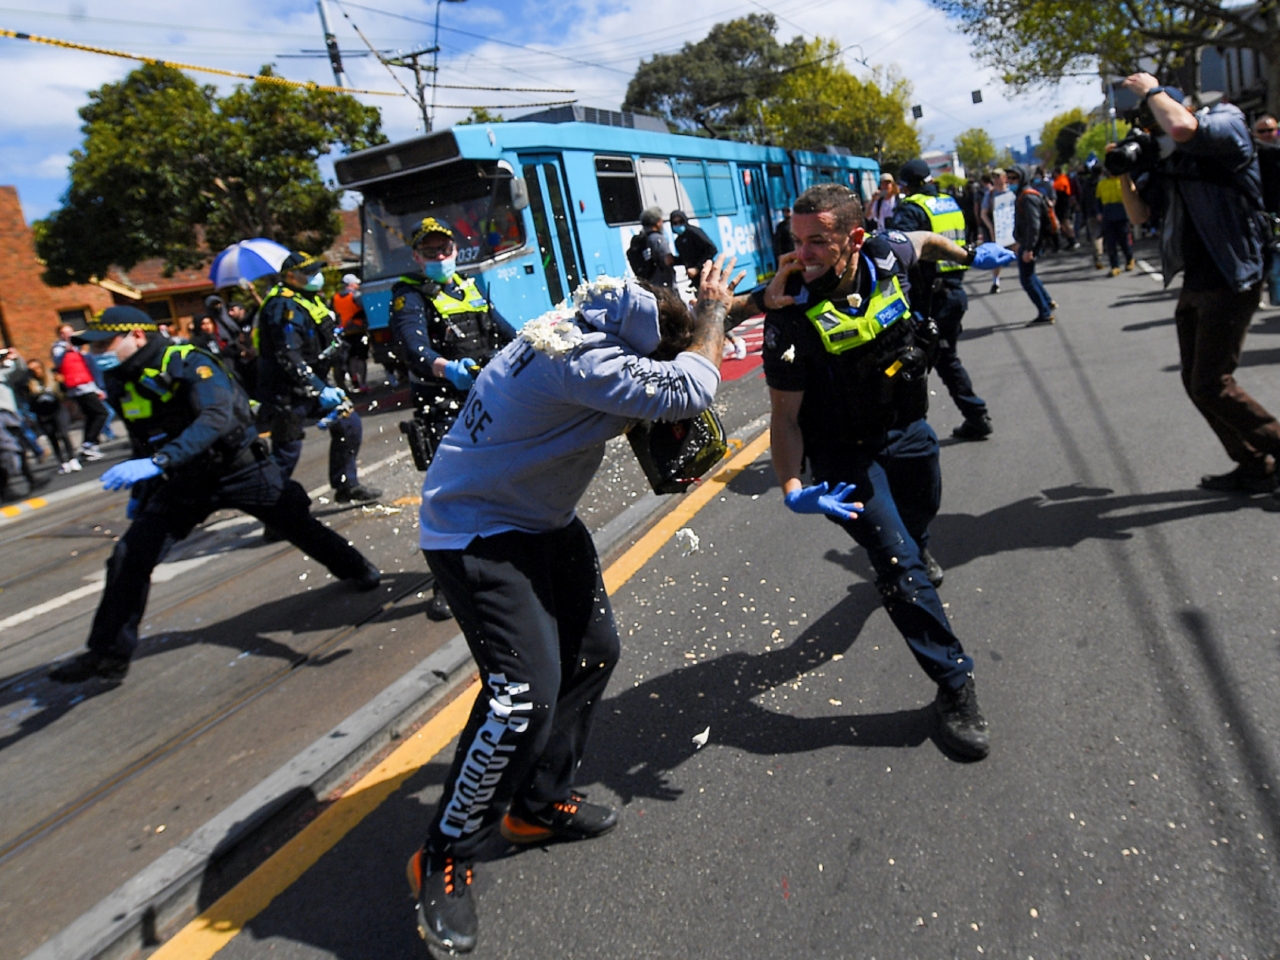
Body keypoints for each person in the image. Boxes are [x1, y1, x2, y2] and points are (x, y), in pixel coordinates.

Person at [403, 259, 740, 954]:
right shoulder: (585, 364)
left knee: (594, 653)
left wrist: (729, 304)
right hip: (477, 533)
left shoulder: (583, 320)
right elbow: (695, 383)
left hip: (538, 518)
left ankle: (535, 804)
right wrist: (711, 315)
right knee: (520, 696)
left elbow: (674, 360)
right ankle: (444, 855)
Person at [758, 182, 990, 768]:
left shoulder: (887, 253)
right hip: (843, 456)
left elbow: (929, 240)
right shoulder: (789, 315)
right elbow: (784, 418)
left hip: (909, 431)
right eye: (796, 241)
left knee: (921, 517)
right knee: (898, 563)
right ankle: (955, 686)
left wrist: (970, 255)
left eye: (818, 242)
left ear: (854, 239)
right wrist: (791, 488)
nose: (802, 254)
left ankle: (920, 548)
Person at [46, 306, 380, 684]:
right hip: (180, 481)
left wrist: (158, 461)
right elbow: (142, 436)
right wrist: (142, 489)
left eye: (105, 343)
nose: (96, 353)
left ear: (136, 336)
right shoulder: (122, 377)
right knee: (129, 556)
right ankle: (108, 655)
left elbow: (216, 417)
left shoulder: (187, 361)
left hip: (238, 469)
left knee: (297, 525)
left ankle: (356, 568)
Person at [1117, 75, 1280, 495]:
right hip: (1198, 280)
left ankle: (1271, 450)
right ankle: (1253, 464)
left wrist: (1151, 89)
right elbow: (1138, 216)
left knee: (1212, 383)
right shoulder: (1167, 159)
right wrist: (1122, 171)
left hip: (1234, 272)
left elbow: (1183, 129)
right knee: (1197, 384)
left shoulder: (1229, 122)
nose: (1156, 133)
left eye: (1155, 119)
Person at [388, 217, 518, 621]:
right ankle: (448, 584)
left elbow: (504, 333)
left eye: (445, 249)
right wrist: (447, 369)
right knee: (453, 498)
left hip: (487, 399)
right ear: (417, 255)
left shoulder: (469, 286)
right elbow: (414, 349)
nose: (440, 256)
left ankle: (502, 564)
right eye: (430, 251)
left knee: (502, 485)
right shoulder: (408, 296)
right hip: (444, 406)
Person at [256, 252, 381, 504]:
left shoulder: (309, 299)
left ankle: (346, 484)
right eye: (309, 272)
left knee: (349, 424)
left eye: (316, 271)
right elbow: (288, 355)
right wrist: (318, 388)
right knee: (286, 452)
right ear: (291, 276)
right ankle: (273, 511)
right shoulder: (282, 306)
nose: (317, 277)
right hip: (288, 391)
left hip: (316, 384)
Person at [889, 158, 993, 440]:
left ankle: (905, 429)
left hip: (929, 298)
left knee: (909, 362)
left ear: (906, 185)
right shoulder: (949, 203)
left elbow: (898, 248)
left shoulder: (912, 208)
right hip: (954, 291)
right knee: (944, 358)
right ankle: (975, 416)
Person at [51, 323, 109, 461]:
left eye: (70, 331)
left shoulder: (79, 347)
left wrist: (97, 387)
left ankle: (89, 445)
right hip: (78, 387)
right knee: (101, 413)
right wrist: (67, 349)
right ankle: (88, 443)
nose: (68, 335)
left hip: (88, 384)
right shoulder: (59, 349)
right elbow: (58, 361)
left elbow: (89, 366)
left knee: (91, 415)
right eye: (64, 333)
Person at [1008, 164, 1057, 325]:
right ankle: (1047, 302)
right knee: (1031, 275)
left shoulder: (1027, 197)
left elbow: (1033, 225)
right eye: (1009, 178)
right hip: (1028, 242)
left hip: (1032, 244)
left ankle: (1044, 312)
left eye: (1014, 178)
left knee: (1026, 279)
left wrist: (1028, 249)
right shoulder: (1023, 195)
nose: (1010, 181)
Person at [24, 358, 78, 473]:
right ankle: (62, 462)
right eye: (32, 370)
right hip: (43, 414)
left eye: (38, 368)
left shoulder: (52, 377)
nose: (36, 371)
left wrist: (62, 382)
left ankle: (72, 458)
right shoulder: (29, 384)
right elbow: (27, 400)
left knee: (64, 434)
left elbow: (64, 391)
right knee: (52, 437)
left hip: (58, 410)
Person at [332, 274, 370, 393]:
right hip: (358, 330)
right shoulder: (356, 295)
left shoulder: (335, 297)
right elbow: (365, 309)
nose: (358, 285)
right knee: (361, 358)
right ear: (351, 284)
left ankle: (354, 379)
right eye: (356, 283)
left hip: (344, 332)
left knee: (351, 358)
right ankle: (363, 383)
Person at [1095, 170, 1134, 276]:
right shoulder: (1101, 183)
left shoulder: (1122, 182)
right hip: (1108, 215)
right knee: (1110, 243)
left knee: (1123, 240)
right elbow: (1098, 200)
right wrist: (1099, 212)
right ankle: (1115, 266)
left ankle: (1129, 259)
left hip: (1121, 213)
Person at [980, 168, 1013, 294]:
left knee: (1019, 252)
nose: (996, 179)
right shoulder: (990, 194)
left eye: (998, 176)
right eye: (994, 177)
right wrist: (991, 228)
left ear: (1005, 177)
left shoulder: (1011, 191)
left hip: (1013, 226)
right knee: (997, 255)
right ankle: (996, 281)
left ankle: (1026, 277)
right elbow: (983, 213)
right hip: (999, 228)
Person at [627, 206, 676, 289]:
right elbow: (668, 260)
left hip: (649, 283)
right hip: (663, 284)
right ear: (658, 222)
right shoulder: (657, 238)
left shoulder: (640, 239)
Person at [668, 210, 718, 287]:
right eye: (675, 223)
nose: (678, 225)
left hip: (708, 274)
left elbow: (711, 249)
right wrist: (673, 260)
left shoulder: (693, 232)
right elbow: (686, 258)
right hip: (696, 279)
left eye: (680, 222)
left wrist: (697, 268)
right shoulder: (678, 241)